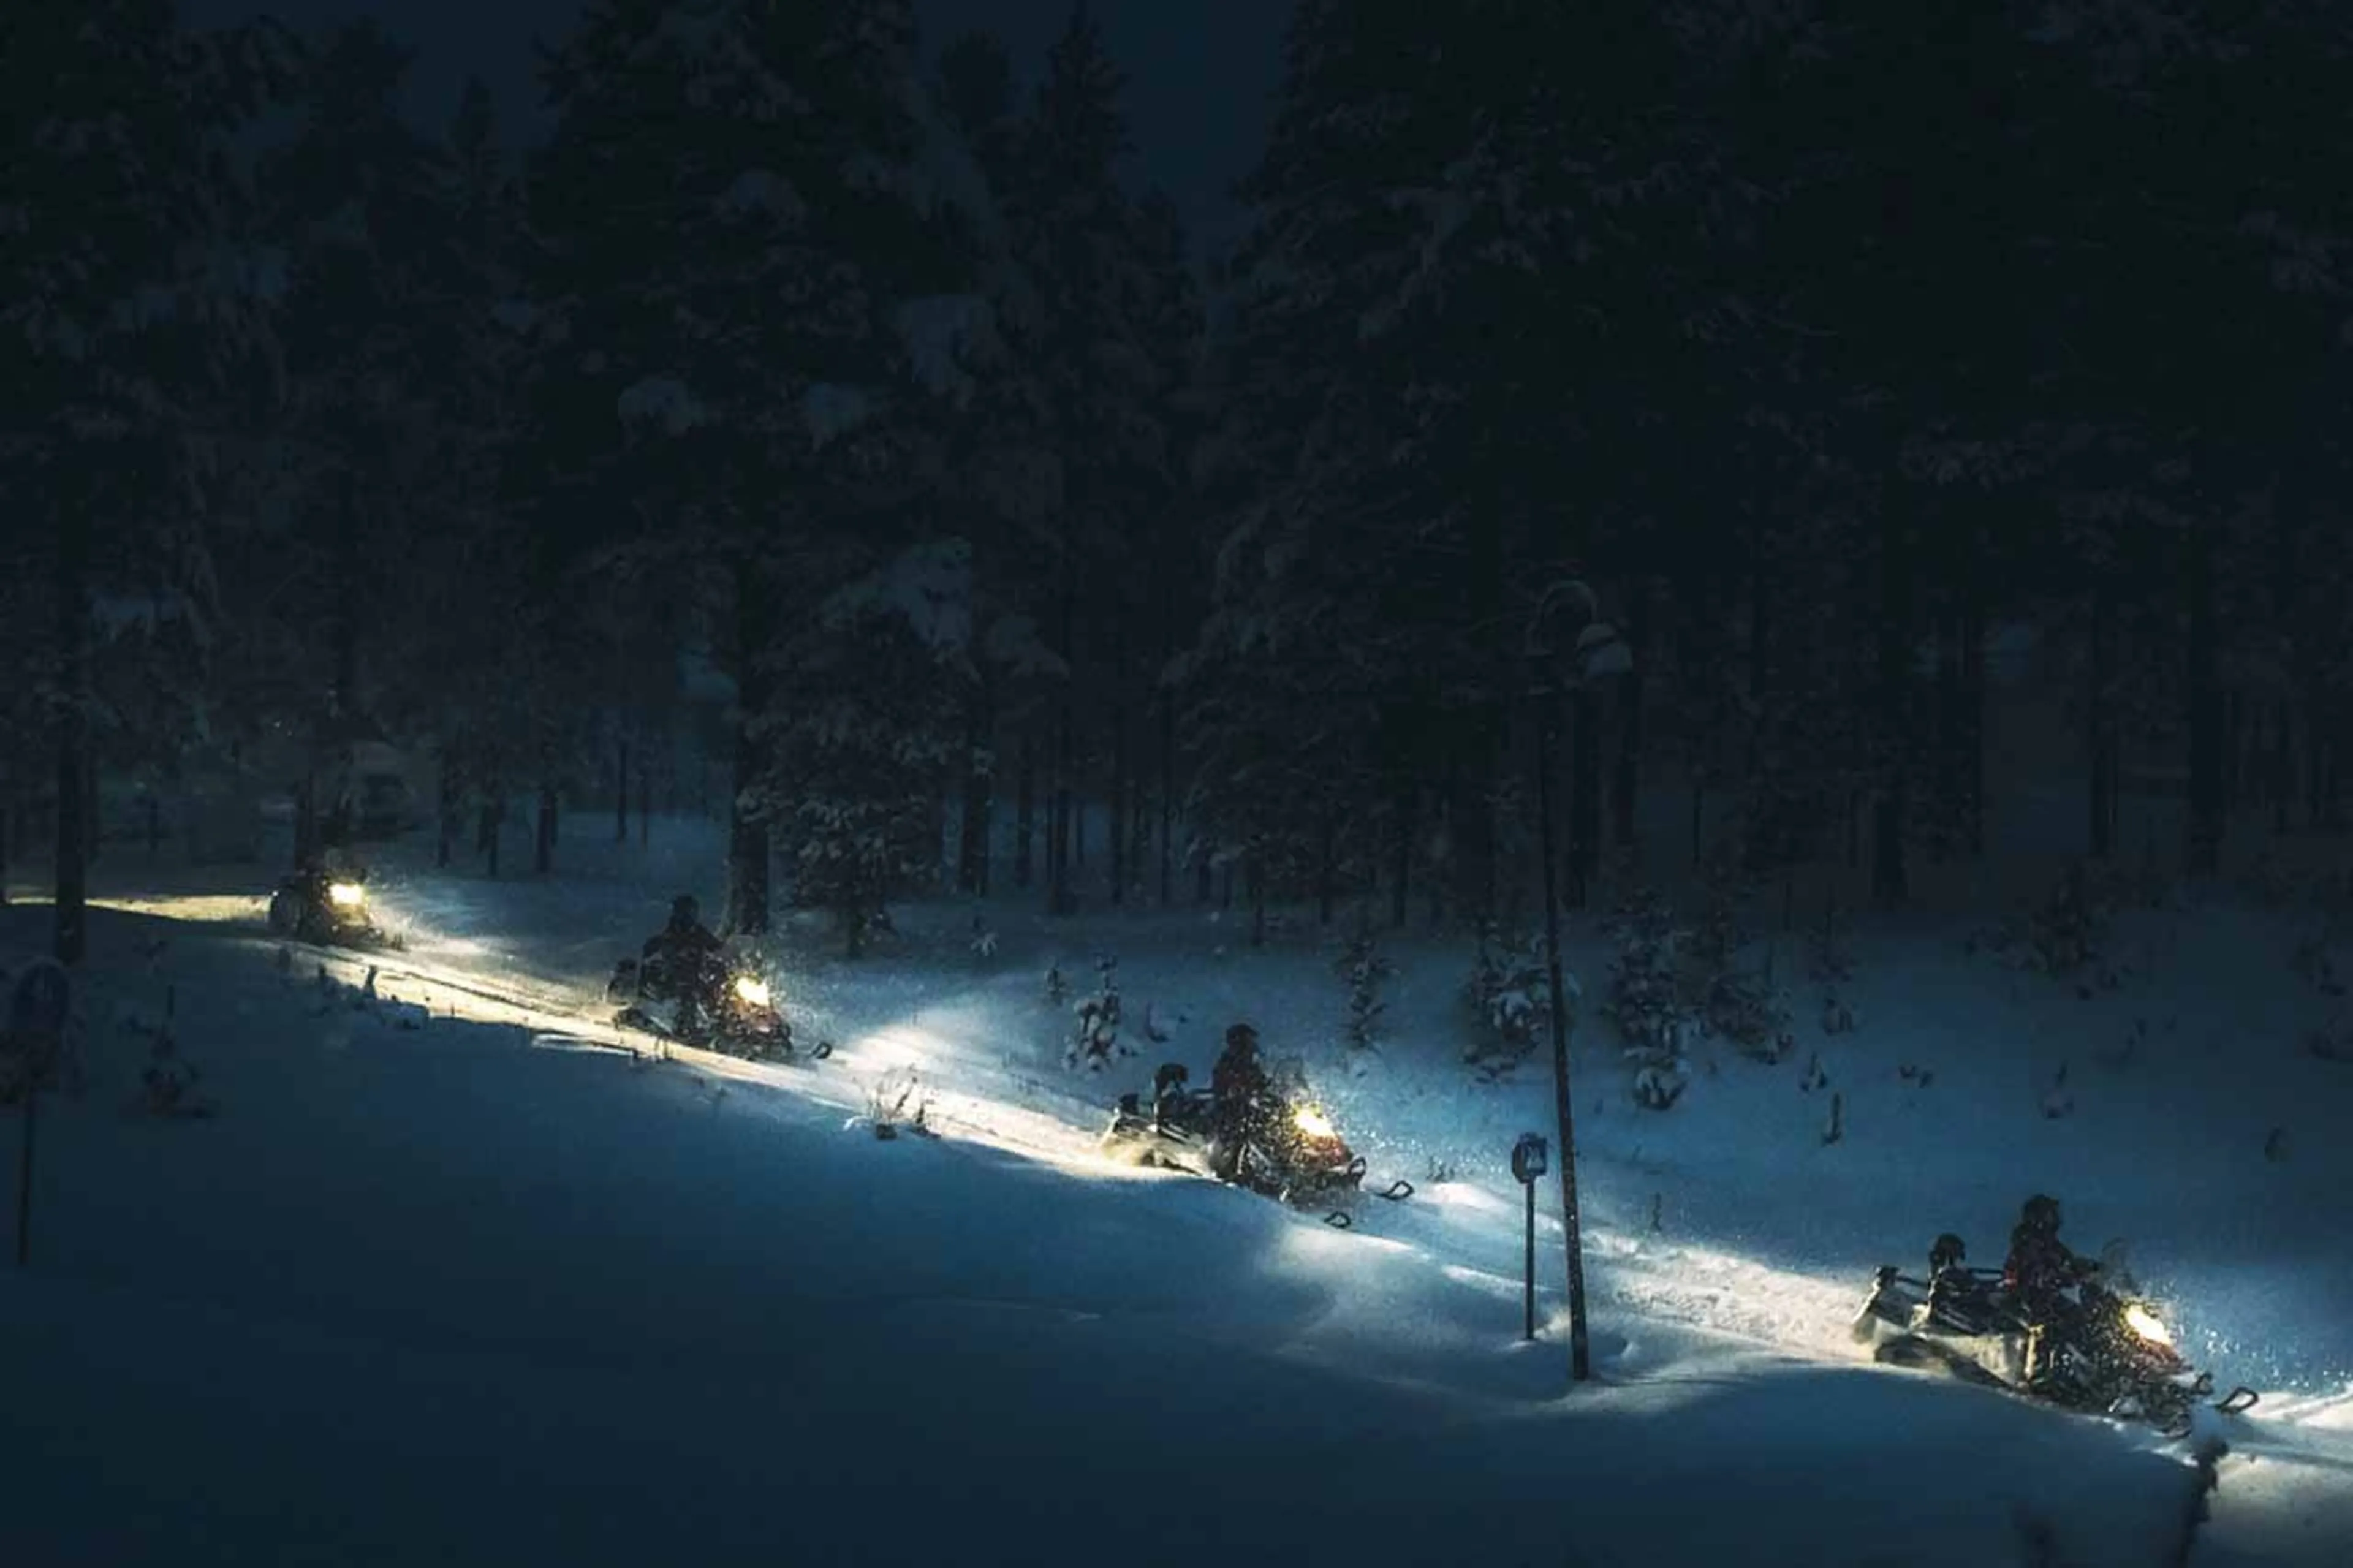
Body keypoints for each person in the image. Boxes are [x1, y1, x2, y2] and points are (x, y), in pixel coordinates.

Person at [2004, 1194, 2099, 1385]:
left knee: (2086, 1319)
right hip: (2027, 1298)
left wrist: (2093, 1269)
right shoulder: (2026, 1242)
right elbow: (2027, 1270)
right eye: (2050, 1215)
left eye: (2054, 1214)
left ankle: (2093, 1370)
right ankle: (2039, 1374)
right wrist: (2053, 1277)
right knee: (2049, 1326)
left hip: (2048, 1295)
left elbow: (2069, 1262)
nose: (2055, 1219)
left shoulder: (2052, 1244)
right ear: (2038, 1218)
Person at [1207, 1023, 1271, 1181]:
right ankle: (1231, 1168)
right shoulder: (1228, 1061)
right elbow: (1221, 1081)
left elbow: (1262, 1081)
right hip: (1231, 1105)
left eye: (1251, 1040)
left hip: (1249, 1103)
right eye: (1248, 1040)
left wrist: (1274, 1088)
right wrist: (1233, 1091)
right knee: (1239, 1127)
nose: (1252, 1044)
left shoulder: (1252, 1063)